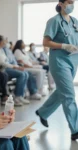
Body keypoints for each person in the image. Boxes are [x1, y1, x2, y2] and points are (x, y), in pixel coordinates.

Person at [36, 0, 78, 141]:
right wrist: (64, 46)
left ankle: (43, 112)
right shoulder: (53, 21)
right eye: (69, 2)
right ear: (61, 4)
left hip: (73, 61)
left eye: (73, 2)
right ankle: (75, 130)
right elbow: (46, 42)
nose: (71, 5)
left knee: (63, 92)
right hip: (59, 62)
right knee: (69, 95)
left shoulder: (75, 21)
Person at [0, 36, 30, 105]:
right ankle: (17, 97)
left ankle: (20, 96)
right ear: (1, 42)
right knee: (22, 74)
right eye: (4, 41)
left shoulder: (1, 50)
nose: (5, 42)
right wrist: (15, 67)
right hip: (3, 69)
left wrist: (16, 66)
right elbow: (3, 63)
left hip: (8, 67)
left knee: (25, 73)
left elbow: (6, 61)